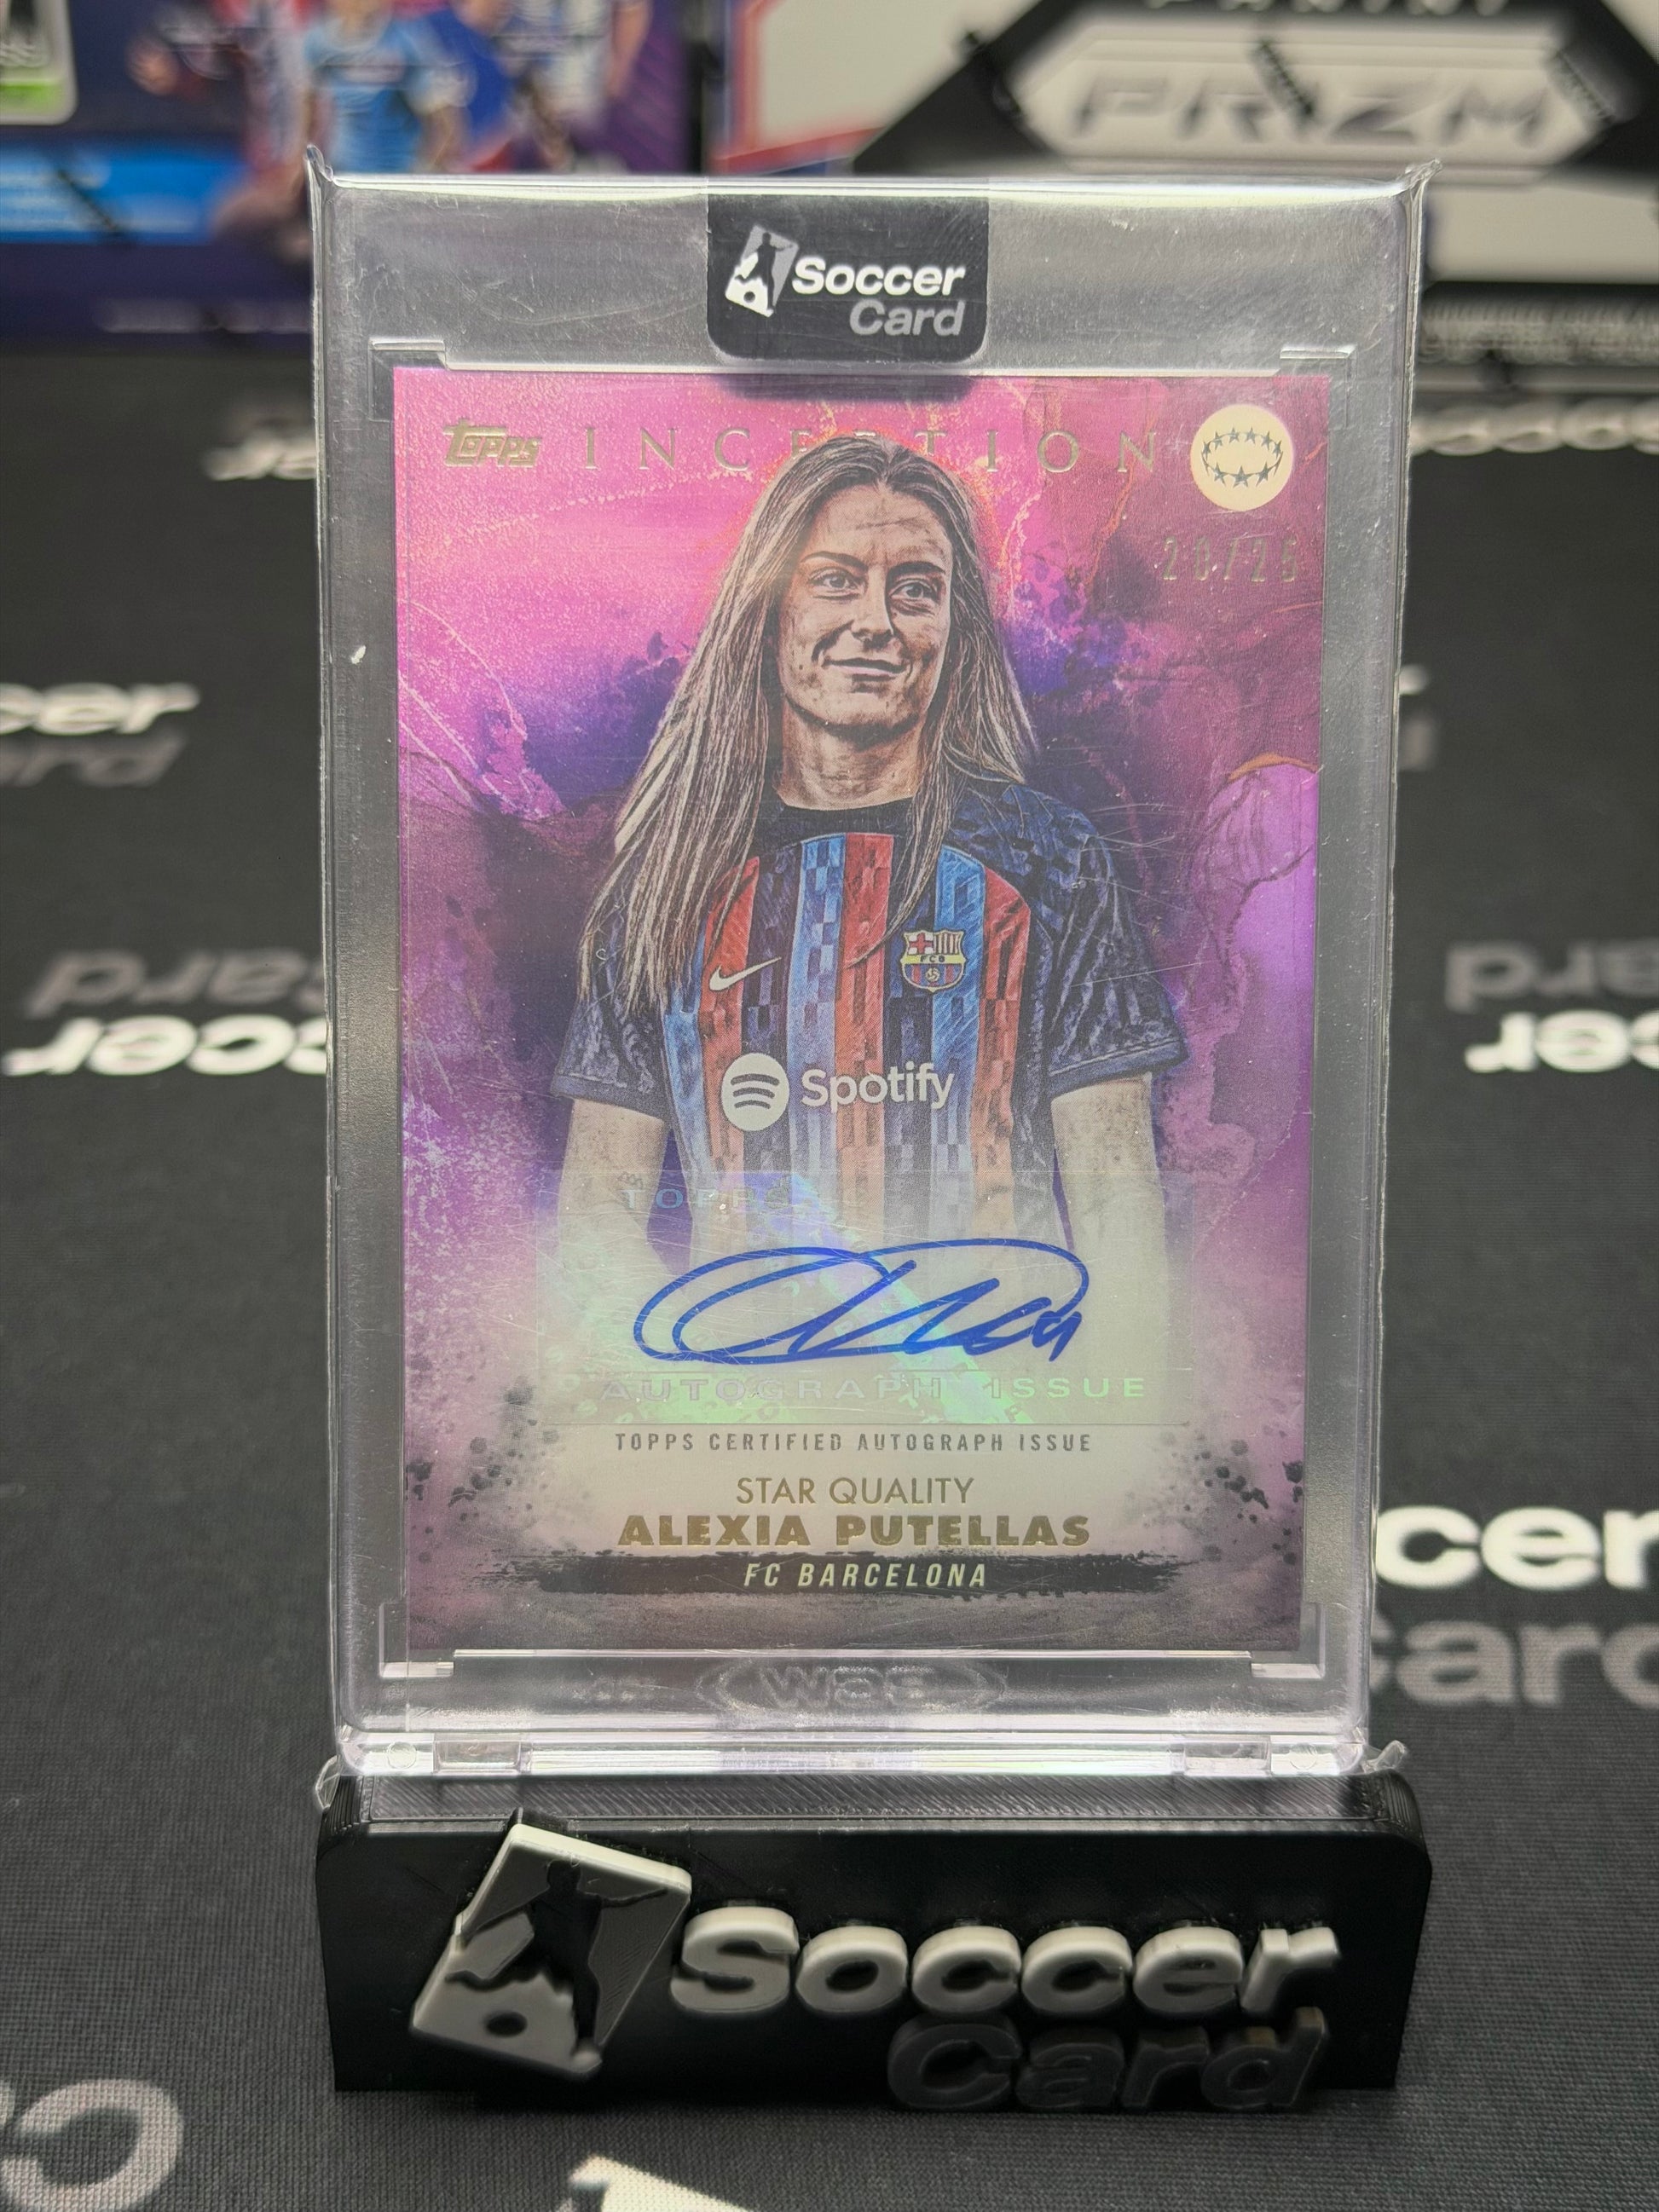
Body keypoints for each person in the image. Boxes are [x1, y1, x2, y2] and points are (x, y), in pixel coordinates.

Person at [554, 434, 1185, 1370]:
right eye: (835, 581)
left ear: (954, 629)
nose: (876, 622)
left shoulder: (1049, 858)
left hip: (1000, 1397)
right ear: (768, 608)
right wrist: (690, 1402)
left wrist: (1118, 1414)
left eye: (916, 590)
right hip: (754, 1401)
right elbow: (597, 1215)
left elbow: (1113, 1195)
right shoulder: (672, 877)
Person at [300, 0, 460, 174]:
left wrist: (422, 175)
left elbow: (446, 126)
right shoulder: (317, 44)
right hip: (342, 175)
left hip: (397, 175)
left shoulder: (407, 41)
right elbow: (306, 114)